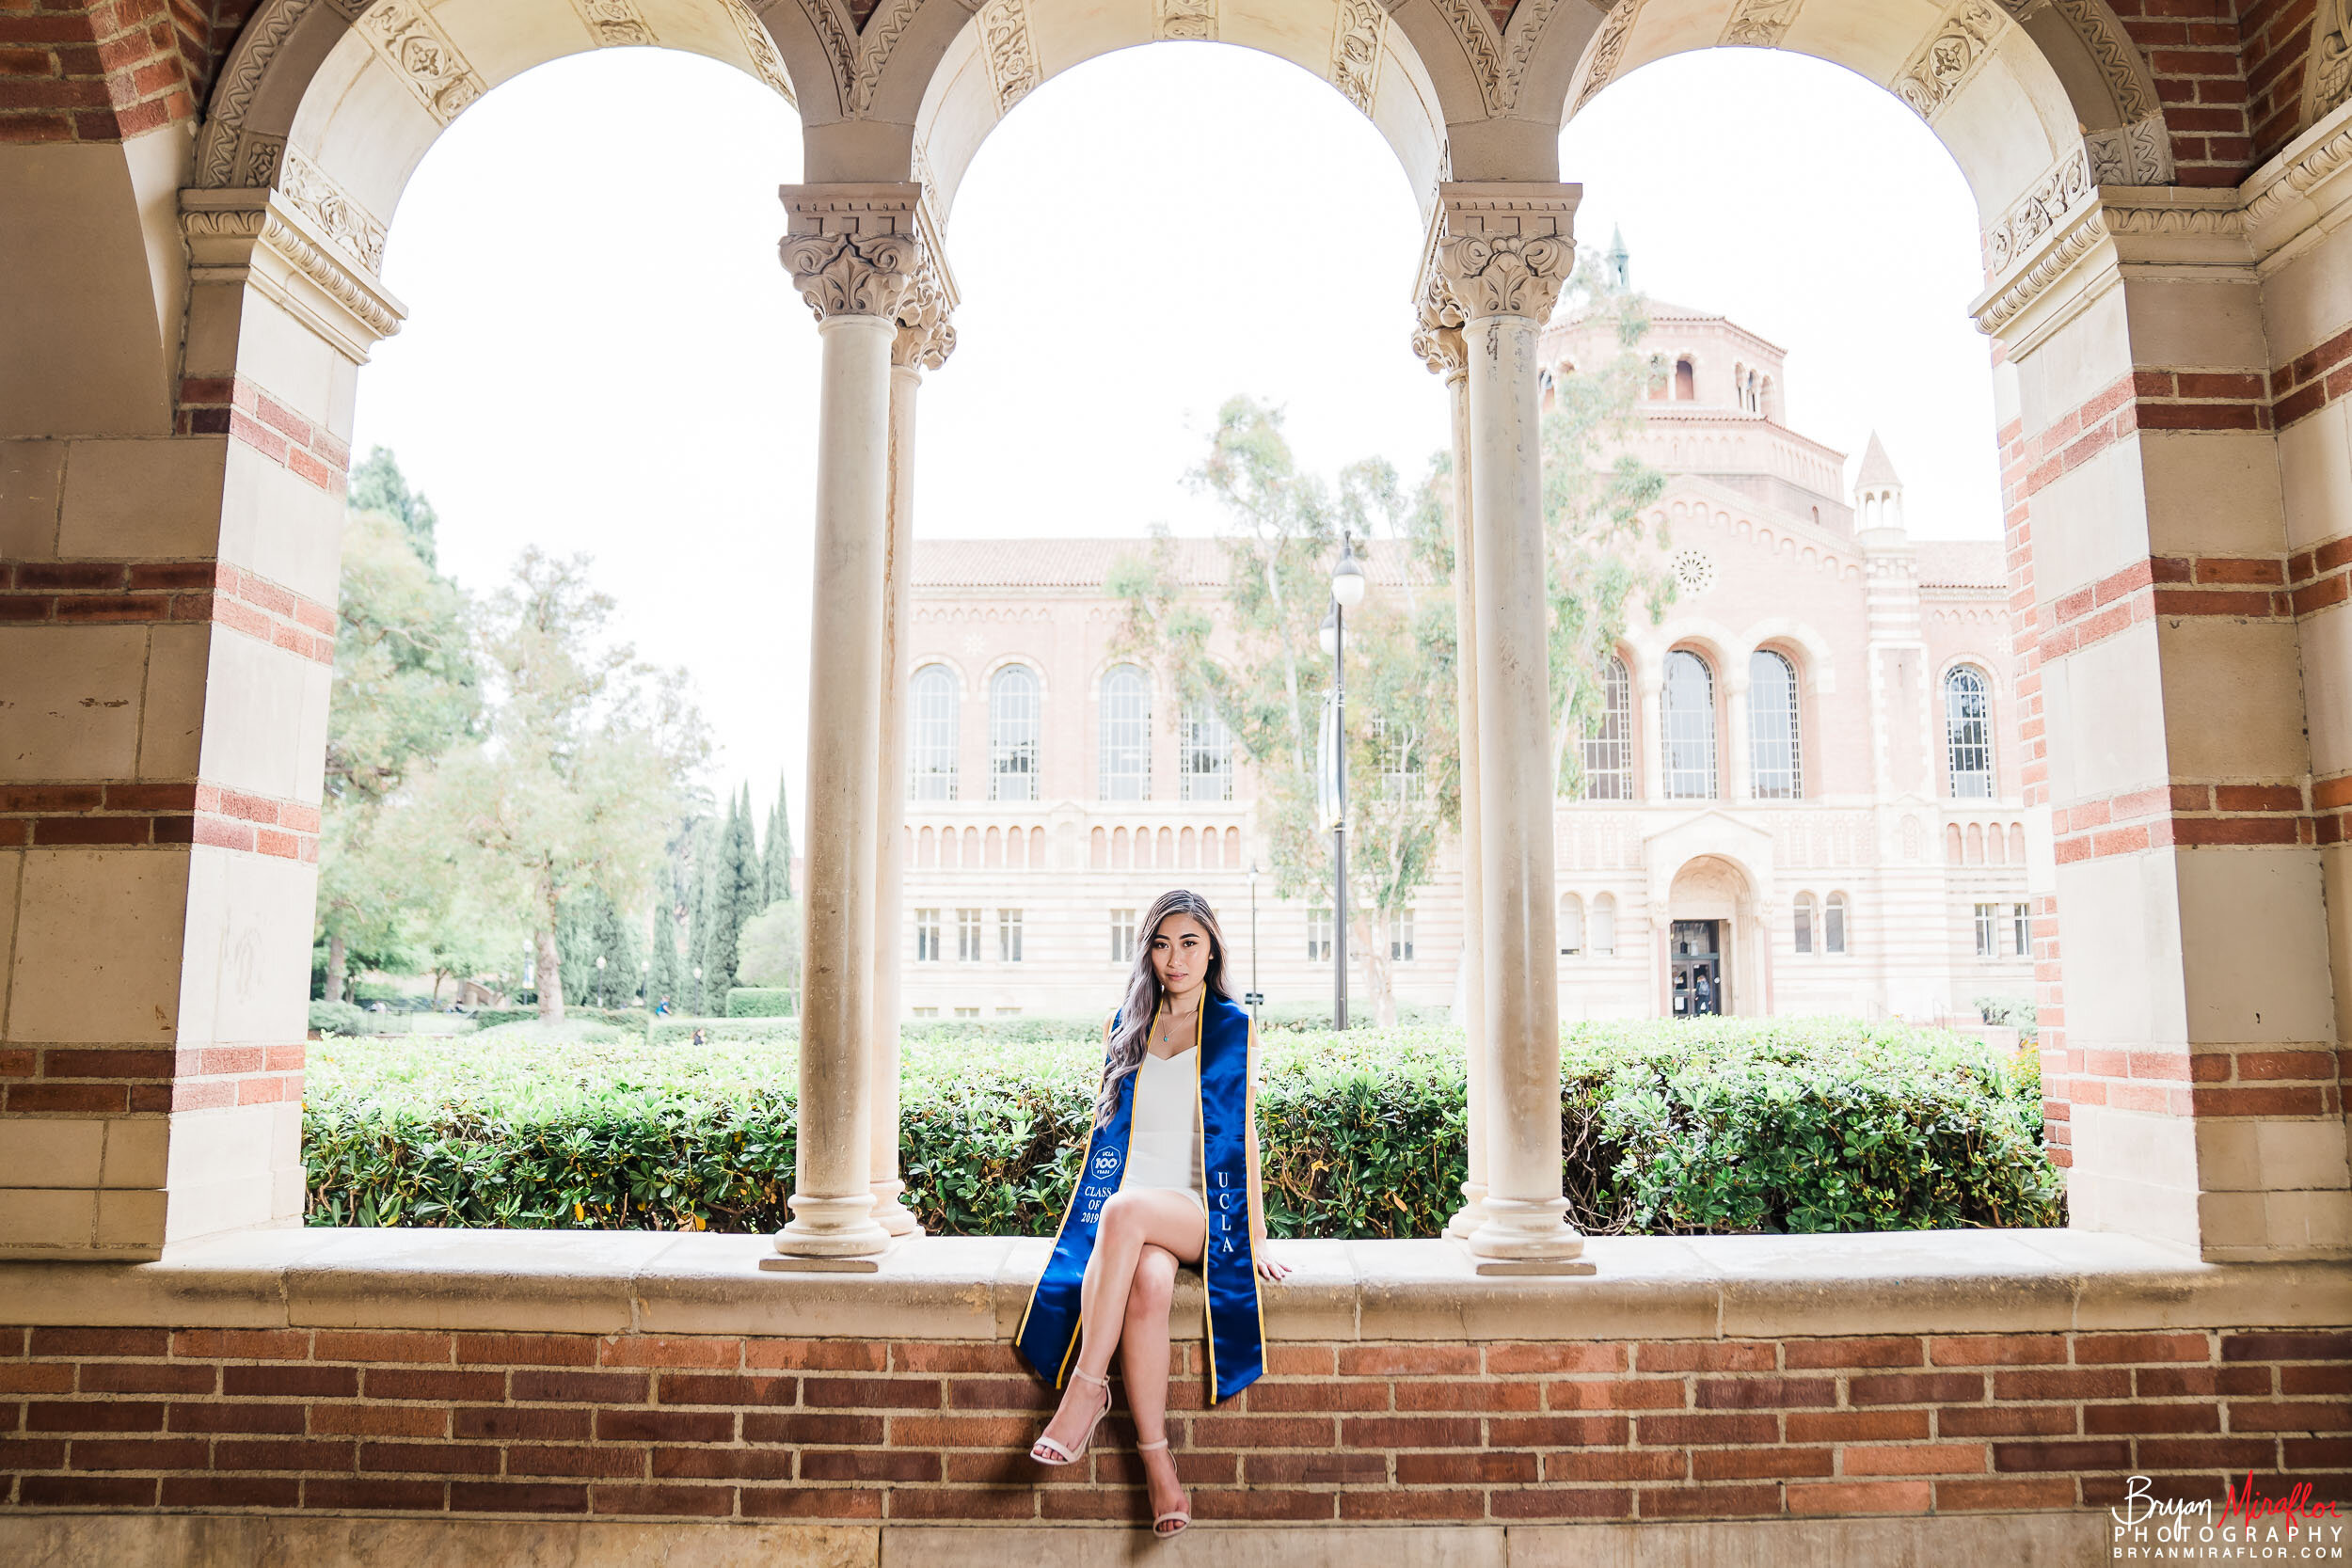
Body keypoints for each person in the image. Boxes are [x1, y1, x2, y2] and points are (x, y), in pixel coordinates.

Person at [1015, 889, 1292, 1540]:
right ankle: (1157, 1461)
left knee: (1126, 1209)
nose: (1175, 957)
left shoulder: (1232, 1028)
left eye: (1189, 942)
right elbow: (1115, 1135)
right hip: (1132, 1212)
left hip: (1200, 1209)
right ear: (1148, 951)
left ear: (1212, 948)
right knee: (1151, 1283)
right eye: (1162, 943)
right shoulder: (1128, 1022)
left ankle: (1086, 1387)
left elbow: (1244, 1135)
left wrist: (1253, 1233)